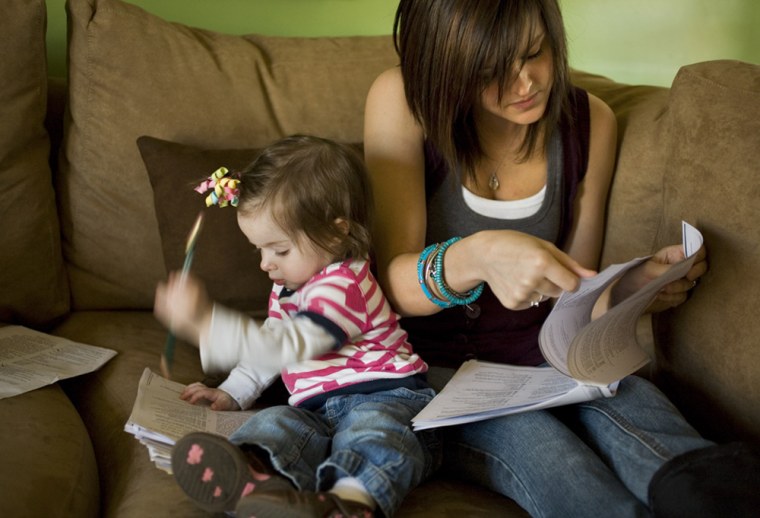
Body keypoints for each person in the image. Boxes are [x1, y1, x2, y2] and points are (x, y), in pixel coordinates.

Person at [363, 1, 714, 516]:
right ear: (445, 65)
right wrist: (477, 255)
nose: (525, 82)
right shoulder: (401, 98)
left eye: (536, 52)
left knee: (656, 427)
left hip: (553, 363)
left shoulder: (591, 121)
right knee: (558, 462)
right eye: (490, 70)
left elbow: (571, 299)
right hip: (435, 375)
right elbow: (392, 286)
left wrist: (635, 286)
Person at [154, 135, 438, 518]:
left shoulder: (346, 284)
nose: (265, 264)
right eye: (259, 250)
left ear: (337, 232)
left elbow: (290, 345)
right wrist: (233, 392)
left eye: (279, 250)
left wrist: (206, 322)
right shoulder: (288, 285)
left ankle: (350, 502)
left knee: (372, 434)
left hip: (384, 396)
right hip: (315, 409)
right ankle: (256, 479)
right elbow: (272, 338)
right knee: (275, 423)